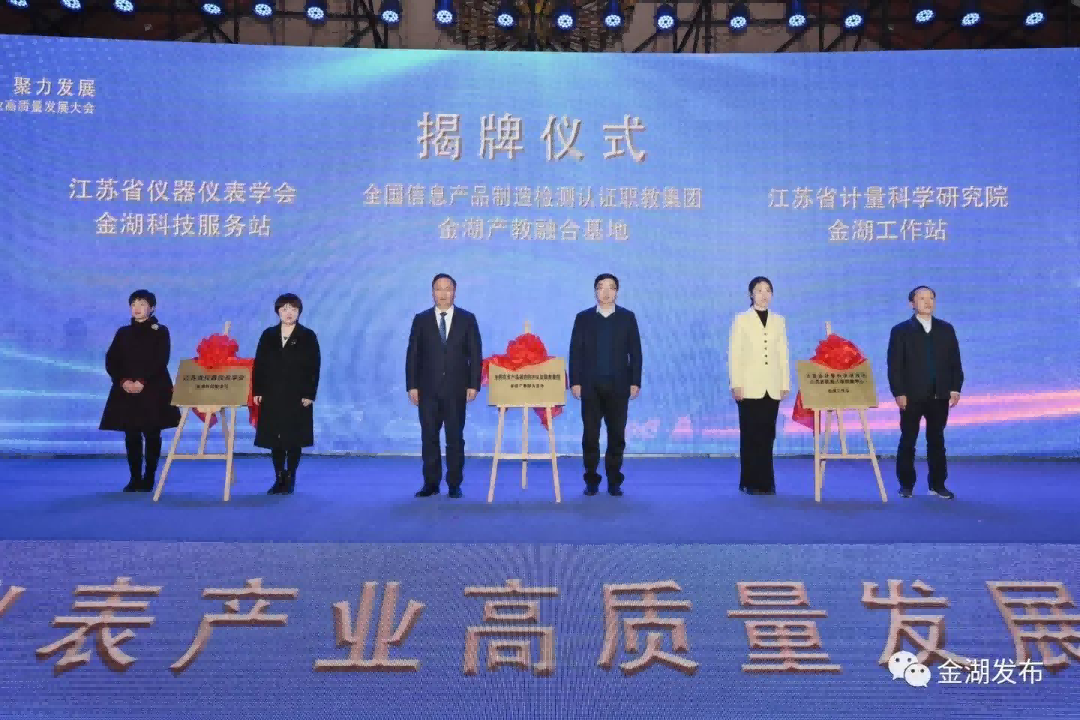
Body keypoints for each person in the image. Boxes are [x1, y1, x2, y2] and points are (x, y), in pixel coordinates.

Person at [405, 273, 482, 498]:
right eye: (438, 289)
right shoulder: (421, 319)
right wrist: (412, 386)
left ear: (454, 292)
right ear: (432, 293)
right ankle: (431, 483)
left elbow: (475, 354)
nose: (443, 293)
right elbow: (413, 355)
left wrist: (473, 384)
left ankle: (454, 484)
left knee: (454, 438)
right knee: (429, 437)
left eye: (448, 289)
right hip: (427, 390)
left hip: (456, 389)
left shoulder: (467, 319)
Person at [99, 289, 181, 492]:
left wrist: (142, 381)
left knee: (152, 433)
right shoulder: (123, 332)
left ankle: (149, 477)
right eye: (133, 304)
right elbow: (111, 359)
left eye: (142, 304)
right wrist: (123, 381)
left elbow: (161, 359)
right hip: (126, 389)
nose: (137, 308)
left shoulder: (160, 331)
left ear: (152, 308)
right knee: (131, 434)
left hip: (153, 389)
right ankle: (134, 478)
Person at [569, 273, 642, 497]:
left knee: (617, 435)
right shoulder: (583, 318)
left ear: (617, 292)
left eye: (611, 287)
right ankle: (591, 479)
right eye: (601, 287)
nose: (606, 292)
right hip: (590, 386)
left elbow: (635, 352)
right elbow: (575, 352)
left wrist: (635, 381)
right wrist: (575, 381)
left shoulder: (627, 317)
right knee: (590, 435)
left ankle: (614, 480)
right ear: (595, 291)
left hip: (619, 386)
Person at [887, 286, 963, 500]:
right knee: (908, 440)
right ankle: (906, 485)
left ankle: (937, 485)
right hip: (911, 395)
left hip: (940, 395)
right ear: (912, 303)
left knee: (937, 440)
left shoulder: (946, 329)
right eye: (921, 298)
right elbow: (894, 365)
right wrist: (898, 392)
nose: (927, 302)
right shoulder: (901, 330)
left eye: (931, 298)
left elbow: (955, 362)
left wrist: (955, 387)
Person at [252, 293, 321, 495]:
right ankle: (279, 477)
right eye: (284, 309)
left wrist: (309, 394)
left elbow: (314, 367)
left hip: (297, 395)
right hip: (272, 394)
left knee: (294, 438)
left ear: (299, 312)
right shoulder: (268, 334)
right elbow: (259, 364)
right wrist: (258, 390)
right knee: (275, 439)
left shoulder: (308, 335)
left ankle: (290, 477)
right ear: (278, 312)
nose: (288, 313)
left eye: (293, 309)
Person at [727, 276, 790, 495]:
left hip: (771, 386)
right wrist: (736, 384)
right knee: (750, 435)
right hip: (748, 387)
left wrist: (784, 383)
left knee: (768, 435)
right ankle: (749, 482)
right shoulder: (741, 319)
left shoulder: (779, 321)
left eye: (768, 290)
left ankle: (766, 482)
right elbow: (735, 354)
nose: (764, 294)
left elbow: (783, 354)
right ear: (751, 294)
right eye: (759, 290)